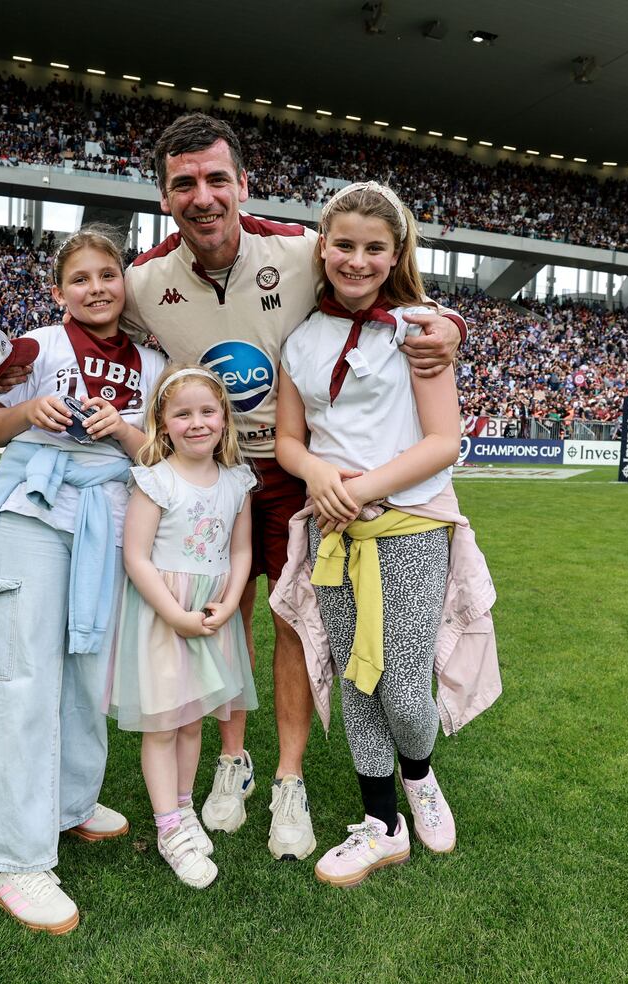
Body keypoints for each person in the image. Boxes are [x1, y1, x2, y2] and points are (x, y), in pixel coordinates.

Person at [0, 113, 466, 861]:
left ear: (243, 184)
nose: (204, 196)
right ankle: (231, 762)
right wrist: (9, 374)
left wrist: (448, 322)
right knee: (216, 614)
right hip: (205, 475)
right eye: (184, 183)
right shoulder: (144, 279)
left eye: (218, 179)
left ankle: (288, 782)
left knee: (287, 621)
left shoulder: (302, 249)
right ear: (164, 197)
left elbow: (377, 273)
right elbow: (78, 322)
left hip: (292, 474)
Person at [275, 182, 494, 886]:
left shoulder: (423, 328)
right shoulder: (303, 337)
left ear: (397, 251)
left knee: (402, 687)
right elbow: (287, 438)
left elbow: (444, 441)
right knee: (355, 681)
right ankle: (380, 824)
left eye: (375, 247)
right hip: (333, 532)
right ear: (322, 245)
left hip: (408, 526)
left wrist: (356, 490)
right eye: (344, 244)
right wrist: (317, 476)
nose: (358, 260)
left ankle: (421, 777)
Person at [0, 225, 166, 933]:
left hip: (108, 518)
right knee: (22, 678)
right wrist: (26, 412)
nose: (97, 287)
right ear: (59, 292)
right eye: (80, 278)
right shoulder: (39, 347)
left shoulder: (155, 360)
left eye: (108, 274)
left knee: (89, 673)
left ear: (124, 283)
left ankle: (70, 804)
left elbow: (163, 453)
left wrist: (124, 432)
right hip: (36, 510)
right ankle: (9, 856)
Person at [107, 364, 258, 888]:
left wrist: (231, 599)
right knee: (164, 723)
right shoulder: (156, 478)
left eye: (207, 411)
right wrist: (174, 614)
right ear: (162, 422)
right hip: (165, 614)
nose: (197, 423)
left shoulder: (238, 480)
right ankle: (169, 827)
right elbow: (136, 556)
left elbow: (241, 549)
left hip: (212, 612)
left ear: (224, 418)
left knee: (194, 719)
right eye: (183, 413)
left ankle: (184, 806)